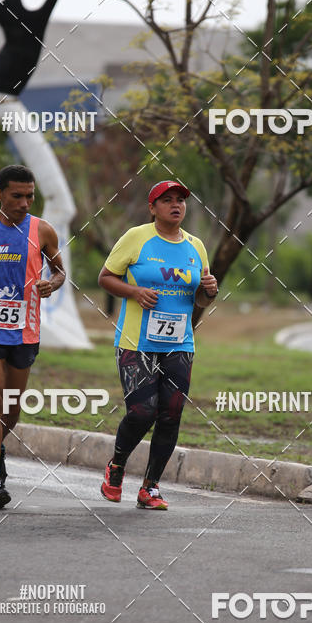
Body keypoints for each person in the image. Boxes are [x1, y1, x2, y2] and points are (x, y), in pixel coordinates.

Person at [98, 180, 218, 510]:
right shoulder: (137, 238)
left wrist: (209, 291)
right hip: (137, 342)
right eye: (167, 200)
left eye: (180, 200)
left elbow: (200, 300)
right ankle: (116, 466)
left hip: (180, 343)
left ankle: (150, 487)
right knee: (142, 411)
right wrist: (134, 292)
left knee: (171, 414)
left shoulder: (196, 246)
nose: (175, 205)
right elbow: (105, 277)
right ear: (153, 208)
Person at [0, 164, 66, 508]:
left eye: (30, 196)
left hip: (25, 330)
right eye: (17, 196)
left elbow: (60, 271)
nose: (24, 203)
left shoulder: (44, 230)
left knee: (11, 407)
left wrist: (53, 283)